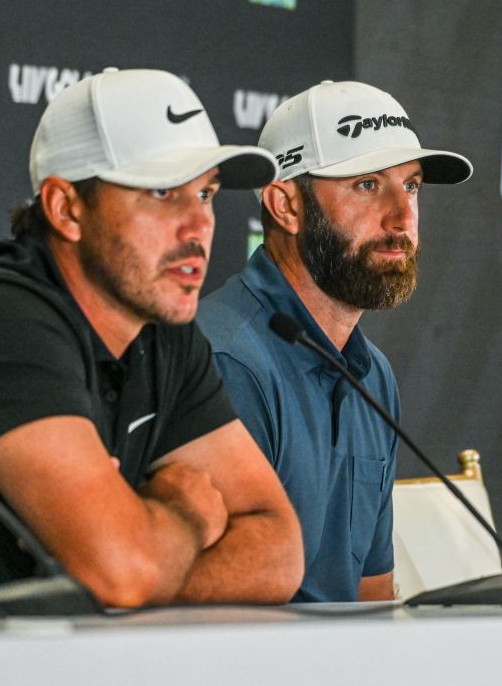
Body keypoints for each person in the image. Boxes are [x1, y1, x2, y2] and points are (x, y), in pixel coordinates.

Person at [0, 68, 304, 610]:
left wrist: (138, 557)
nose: (198, 226)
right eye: (162, 192)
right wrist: (187, 512)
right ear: (65, 208)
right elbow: (120, 572)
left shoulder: (164, 335)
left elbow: (280, 550)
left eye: (207, 194)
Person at [198, 80, 472, 601]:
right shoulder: (225, 360)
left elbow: (371, 592)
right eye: (367, 185)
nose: (402, 216)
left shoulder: (374, 374)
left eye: (411, 186)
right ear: (286, 205)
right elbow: (216, 619)